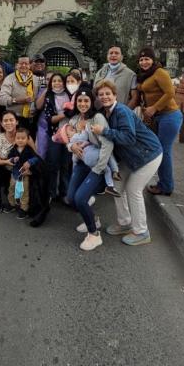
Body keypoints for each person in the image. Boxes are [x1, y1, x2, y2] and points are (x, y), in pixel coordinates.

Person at [92, 78, 163, 246]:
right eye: (101, 94)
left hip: (149, 154)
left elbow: (129, 137)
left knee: (133, 189)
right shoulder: (105, 112)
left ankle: (141, 231)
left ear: (115, 95)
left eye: (108, 93)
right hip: (133, 157)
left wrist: (105, 131)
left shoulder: (122, 111)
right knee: (117, 187)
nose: (104, 97)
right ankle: (125, 223)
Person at [64, 86, 114, 251]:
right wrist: (71, 147)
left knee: (80, 199)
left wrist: (99, 168)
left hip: (96, 165)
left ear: (92, 102)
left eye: (86, 100)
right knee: (71, 198)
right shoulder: (75, 119)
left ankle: (94, 234)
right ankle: (94, 219)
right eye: (79, 100)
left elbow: (108, 143)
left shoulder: (97, 118)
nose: (83, 103)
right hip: (80, 163)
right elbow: (68, 139)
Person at [136, 47, 183, 196]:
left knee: (164, 150)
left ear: (153, 60)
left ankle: (166, 186)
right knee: (155, 148)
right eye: (141, 59)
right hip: (157, 117)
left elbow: (170, 93)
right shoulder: (144, 75)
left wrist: (155, 108)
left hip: (169, 115)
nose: (144, 62)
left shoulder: (160, 73)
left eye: (147, 59)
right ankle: (162, 182)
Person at [53, 121, 121, 196]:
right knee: (108, 153)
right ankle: (115, 170)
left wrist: (74, 169)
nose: (74, 129)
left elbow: (74, 160)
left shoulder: (74, 148)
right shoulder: (75, 138)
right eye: (72, 130)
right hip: (92, 153)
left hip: (88, 162)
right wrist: (83, 128)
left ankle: (110, 186)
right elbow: (85, 135)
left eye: (73, 128)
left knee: (107, 169)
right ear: (68, 137)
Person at [44, 73, 72, 201]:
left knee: (66, 165)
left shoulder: (70, 95)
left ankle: (64, 192)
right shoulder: (49, 97)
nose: (57, 83)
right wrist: (64, 114)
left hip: (70, 135)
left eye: (59, 80)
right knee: (53, 164)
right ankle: (51, 192)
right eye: (54, 81)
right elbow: (50, 119)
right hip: (55, 135)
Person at [0, 55, 40, 135]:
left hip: (32, 119)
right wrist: (17, 100)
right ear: (16, 65)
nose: (24, 65)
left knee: (30, 144)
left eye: (26, 63)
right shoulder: (9, 79)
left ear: (30, 65)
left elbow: (45, 93)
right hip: (15, 119)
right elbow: (1, 99)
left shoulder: (37, 79)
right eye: (21, 63)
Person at [7, 126, 40, 218]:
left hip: (25, 175)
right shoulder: (13, 149)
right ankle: (11, 204)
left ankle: (23, 208)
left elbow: (36, 158)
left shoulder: (29, 150)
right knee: (11, 189)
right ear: (15, 139)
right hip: (14, 174)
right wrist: (13, 159)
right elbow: (9, 158)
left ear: (28, 139)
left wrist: (30, 162)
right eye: (18, 138)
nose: (20, 140)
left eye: (23, 138)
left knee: (24, 192)